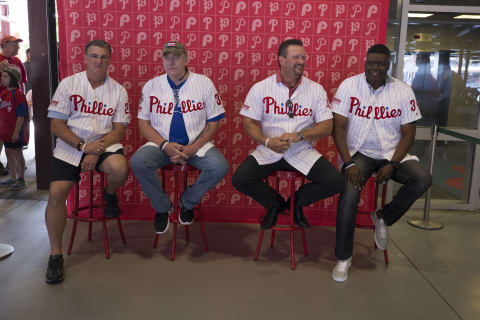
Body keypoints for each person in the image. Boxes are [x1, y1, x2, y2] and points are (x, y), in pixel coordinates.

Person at [331, 44, 432, 282]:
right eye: (371, 63)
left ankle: (383, 216)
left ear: (389, 65)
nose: (375, 68)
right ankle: (343, 259)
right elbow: (339, 128)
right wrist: (348, 163)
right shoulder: (349, 86)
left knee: (422, 179)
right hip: (359, 154)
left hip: (391, 153)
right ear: (365, 63)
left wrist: (393, 164)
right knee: (348, 195)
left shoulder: (403, 91)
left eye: (380, 64)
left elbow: (408, 134)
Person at [232, 39, 345, 230]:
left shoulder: (315, 89)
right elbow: (248, 122)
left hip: (301, 150)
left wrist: (299, 136)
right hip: (269, 150)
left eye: (303, 57)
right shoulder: (261, 88)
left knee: (335, 182)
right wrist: (267, 141)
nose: (301, 61)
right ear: (281, 60)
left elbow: (327, 125)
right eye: (296, 57)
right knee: (240, 179)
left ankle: (295, 204)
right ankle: (275, 203)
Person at [45, 40, 130, 284]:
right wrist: (83, 147)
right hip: (71, 145)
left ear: (109, 60)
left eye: (103, 57)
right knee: (55, 193)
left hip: (103, 143)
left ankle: (109, 194)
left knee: (119, 169)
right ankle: (55, 254)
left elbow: (119, 129)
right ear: (84, 58)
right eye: (94, 56)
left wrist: (95, 150)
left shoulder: (118, 90)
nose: (98, 61)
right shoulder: (68, 84)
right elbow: (56, 125)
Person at [131, 41, 228, 235]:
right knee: (138, 162)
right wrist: (165, 145)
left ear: (186, 58)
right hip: (161, 144)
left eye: (176, 56)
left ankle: (187, 201)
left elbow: (214, 121)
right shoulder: (152, 85)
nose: (171, 61)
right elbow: (143, 123)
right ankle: (162, 207)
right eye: (167, 56)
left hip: (196, 145)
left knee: (219, 166)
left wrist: (193, 148)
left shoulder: (203, 83)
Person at [0, 35, 28, 177]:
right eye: (14, 44)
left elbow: (23, 81)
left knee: (17, 141)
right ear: (4, 45)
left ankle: (19, 173)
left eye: (18, 44)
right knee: (4, 137)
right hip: (2, 104)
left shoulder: (17, 61)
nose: (17, 47)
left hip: (16, 103)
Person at [0, 66, 29, 190]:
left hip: (16, 131)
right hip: (5, 131)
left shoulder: (18, 95)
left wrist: (16, 133)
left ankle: (21, 179)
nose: (2, 78)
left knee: (18, 153)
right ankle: (12, 178)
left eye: (5, 76)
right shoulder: (3, 94)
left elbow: (21, 115)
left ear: (12, 78)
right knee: (8, 153)